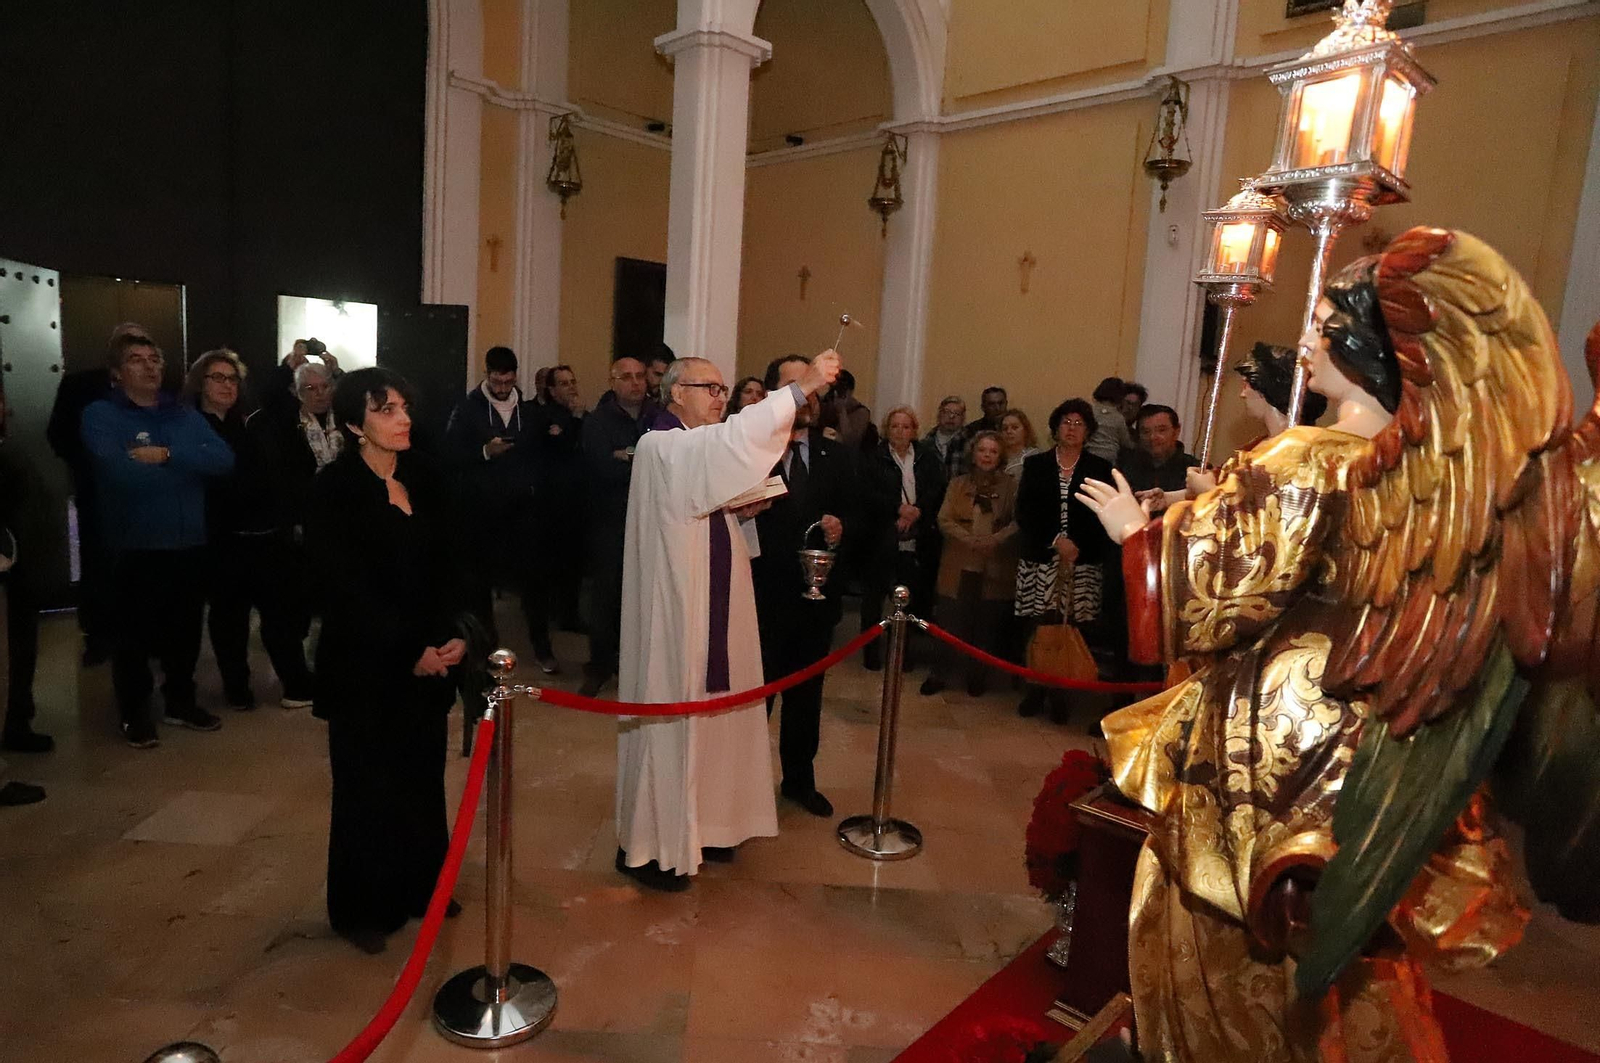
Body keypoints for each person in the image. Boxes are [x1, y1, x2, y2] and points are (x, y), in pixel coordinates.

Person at [616, 350, 841, 892]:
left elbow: (710, 494)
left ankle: (711, 825)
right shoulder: (662, 444)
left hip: (721, 602)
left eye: (722, 388)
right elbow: (722, 448)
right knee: (679, 710)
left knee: (722, 710)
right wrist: (799, 389)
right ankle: (655, 845)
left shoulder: (691, 448)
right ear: (674, 394)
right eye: (708, 387)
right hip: (679, 613)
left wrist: (741, 512)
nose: (720, 396)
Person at [308, 367, 468, 954]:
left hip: (430, 659)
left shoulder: (425, 474)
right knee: (365, 787)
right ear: (355, 423)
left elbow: (453, 565)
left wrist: (456, 636)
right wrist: (408, 652)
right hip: (365, 667)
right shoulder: (334, 489)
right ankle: (362, 907)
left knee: (422, 780)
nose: (403, 419)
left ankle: (424, 885)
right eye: (386, 410)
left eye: (404, 407)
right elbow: (344, 589)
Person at [83, 333, 234, 747]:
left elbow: (222, 459)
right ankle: (134, 713)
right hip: (137, 546)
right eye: (137, 360)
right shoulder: (102, 415)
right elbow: (121, 473)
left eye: (155, 359)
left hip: (189, 543)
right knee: (133, 637)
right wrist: (188, 464)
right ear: (117, 372)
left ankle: (180, 702)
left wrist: (167, 456)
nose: (150, 367)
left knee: (184, 633)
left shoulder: (182, 414)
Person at [752, 353, 855, 819]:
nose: (807, 396)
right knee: (755, 699)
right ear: (776, 393)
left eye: (813, 386)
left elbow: (862, 515)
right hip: (760, 596)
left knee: (807, 696)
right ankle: (744, 785)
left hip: (816, 600)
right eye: (796, 385)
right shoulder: (753, 449)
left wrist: (841, 524)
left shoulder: (838, 455)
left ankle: (799, 779)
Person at [186, 349, 291, 710]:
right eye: (218, 377)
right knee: (229, 617)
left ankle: (292, 679)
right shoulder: (190, 424)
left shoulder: (248, 422)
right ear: (201, 382)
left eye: (232, 378)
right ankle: (236, 684)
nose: (227, 385)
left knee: (276, 612)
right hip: (221, 536)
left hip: (262, 534)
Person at [47, 321, 145, 666]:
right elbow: (58, 433)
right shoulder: (80, 385)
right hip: (97, 490)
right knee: (99, 564)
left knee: (142, 565)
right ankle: (99, 637)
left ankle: (143, 634)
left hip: (143, 493)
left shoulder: (157, 386)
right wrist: (94, 460)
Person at [443, 347, 547, 669]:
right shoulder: (467, 407)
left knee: (534, 579)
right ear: (487, 374)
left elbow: (540, 453)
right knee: (479, 582)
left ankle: (543, 646)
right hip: (480, 508)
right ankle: (486, 647)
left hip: (522, 507)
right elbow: (450, 454)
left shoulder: (529, 411)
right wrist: (485, 452)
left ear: (515, 376)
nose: (502, 386)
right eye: (497, 380)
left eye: (508, 380)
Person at [1012, 398, 1113, 723]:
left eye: (1079, 423)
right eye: (1066, 422)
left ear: (1088, 431)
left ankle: (1061, 694)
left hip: (1082, 560)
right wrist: (1057, 541)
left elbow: (1104, 515)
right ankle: (1036, 689)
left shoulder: (1100, 468)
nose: (1072, 429)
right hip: (1043, 556)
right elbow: (1025, 511)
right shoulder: (1037, 464)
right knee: (1041, 625)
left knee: (1071, 626)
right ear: (1056, 427)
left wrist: (1076, 546)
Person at [249, 360, 341, 709]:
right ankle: (295, 682)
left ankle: (323, 672)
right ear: (295, 393)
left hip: (335, 528)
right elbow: (280, 479)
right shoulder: (281, 425)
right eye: (310, 389)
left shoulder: (344, 421)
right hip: (295, 529)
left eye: (325, 386)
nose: (319, 395)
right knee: (288, 609)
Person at [580, 357, 656, 696]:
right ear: (613, 382)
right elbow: (600, 468)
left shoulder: (659, 416)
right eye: (627, 377)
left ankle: (636, 668)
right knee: (606, 596)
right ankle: (599, 665)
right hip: (610, 520)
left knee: (646, 596)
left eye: (640, 376)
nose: (636, 383)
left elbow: (665, 465)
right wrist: (640, 461)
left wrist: (626, 455)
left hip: (653, 520)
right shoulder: (598, 421)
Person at [922, 431, 1017, 697]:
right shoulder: (958, 484)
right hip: (959, 561)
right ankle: (939, 674)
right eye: (982, 450)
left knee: (986, 626)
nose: (987, 456)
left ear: (1000, 456)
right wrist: (970, 539)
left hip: (994, 565)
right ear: (973, 454)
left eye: (993, 451)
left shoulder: (1011, 486)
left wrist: (994, 540)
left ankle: (978, 677)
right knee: (950, 621)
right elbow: (944, 519)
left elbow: (1017, 522)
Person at [1183, 342, 1330, 500]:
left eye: (1246, 385)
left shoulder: (1297, 452)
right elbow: (1226, 485)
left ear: (1264, 388)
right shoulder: (1257, 446)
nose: (1242, 394)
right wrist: (1166, 498)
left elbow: (1259, 511)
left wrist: (1207, 491)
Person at [860, 406, 945, 672]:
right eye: (895, 426)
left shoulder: (926, 457)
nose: (900, 431)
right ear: (887, 429)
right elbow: (867, 493)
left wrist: (917, 512)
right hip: (881, 536)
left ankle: (903, 653)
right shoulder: (874, 458)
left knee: (909, 597)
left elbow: (935, 489)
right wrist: (897, 509)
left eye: (906, 426)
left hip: (917, 536)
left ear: (914, 430)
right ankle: (871, 652)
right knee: (874, 598)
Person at [0, 388, 57, 753]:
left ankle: (16, 720)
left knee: (20, 649)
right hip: (9, 566)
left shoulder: (10, 449)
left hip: (22, 568)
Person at [529, 365, 586, 635]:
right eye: (563, 383)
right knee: (551, 562)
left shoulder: (584, 415)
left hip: (576, 499)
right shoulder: (544, 416)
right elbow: (560, 448)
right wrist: (573, 420)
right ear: (551, 390)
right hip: (550, 501)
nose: (571, 387)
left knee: (572, 562)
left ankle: (569, 613)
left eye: (572, 382)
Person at [1116, 404, 1198, 515]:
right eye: (1146, 432)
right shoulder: (1125, 466)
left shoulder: (1195, 470)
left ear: (1176, 431)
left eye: (1161, 430)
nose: (1153, 437)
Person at [821, 369, 876, 451]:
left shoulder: (861, 412)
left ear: (850, 391)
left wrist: (842, 411)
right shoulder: (825, 403)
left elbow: (851, 442)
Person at [1085, 377, 1132, 463]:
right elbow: (1125, 442)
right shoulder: (1118, 417)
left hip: (1089, 453)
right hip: (1109, 456)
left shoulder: (1089, 411)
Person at [923, 396, 968, 479]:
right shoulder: (926, 444)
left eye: (957, 413)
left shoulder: (970, 443)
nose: (951, 416)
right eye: (946, 412)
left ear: (963, 418)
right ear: (939, 415)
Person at [998, 409, 1039, 480]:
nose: (1009, 431)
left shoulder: (1035, 456)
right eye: (1005, 428)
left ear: (1025, 430)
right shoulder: (997, 458)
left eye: (1014, 428)